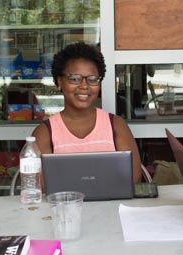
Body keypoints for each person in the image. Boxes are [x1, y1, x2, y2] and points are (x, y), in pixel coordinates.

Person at [32, 41, 142, 183]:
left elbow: (134, 178)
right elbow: (39, 187)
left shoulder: (116, 125)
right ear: (59, 82)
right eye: (75, 79)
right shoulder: (45, 132)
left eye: (92, 79)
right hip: (62, 205)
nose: (84, 86)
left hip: (111, 205)